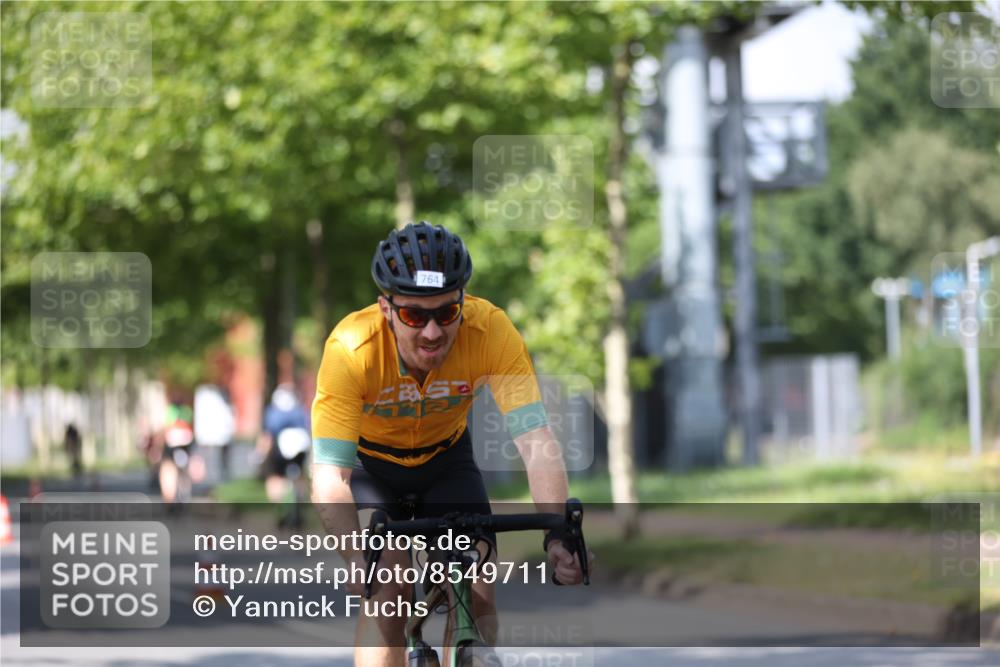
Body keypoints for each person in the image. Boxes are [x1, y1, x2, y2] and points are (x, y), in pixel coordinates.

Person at [311, 221, 595, 667]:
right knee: (388, 588)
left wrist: (556, 533)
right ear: (386, 309)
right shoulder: (351, 348)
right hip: (372, 468)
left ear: (463, 303)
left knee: (478, 590)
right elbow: (331, 475)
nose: (432, 332)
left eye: (446, 314)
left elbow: (535, 439)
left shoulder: (491, 331)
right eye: (413, 316)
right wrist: (353, 556)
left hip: (445, 460)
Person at [257, 383, 311, 525]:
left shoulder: (272, 412)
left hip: (280, 447)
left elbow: (268, 435)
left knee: (275, 477)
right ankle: (299, 507)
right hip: (300, 445)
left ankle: (279, 511)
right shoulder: (300, 411)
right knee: (299, 476)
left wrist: (260, 454)